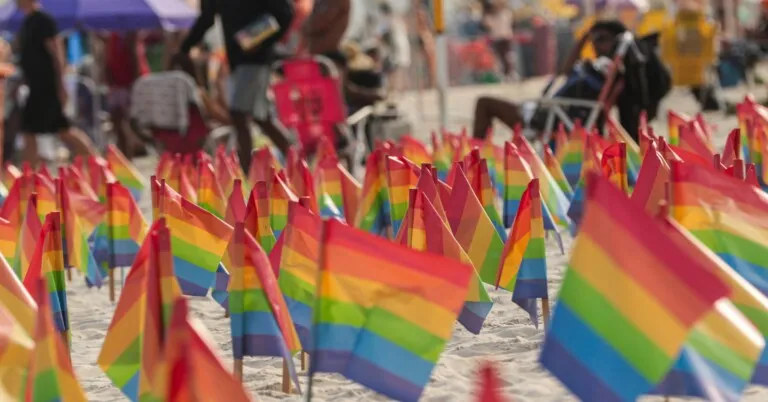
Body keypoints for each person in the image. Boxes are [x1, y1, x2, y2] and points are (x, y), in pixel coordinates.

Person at [472, 20, 669, 142]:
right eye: (594, 39)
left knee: (484, 103)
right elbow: (565, 71)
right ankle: (478, 155)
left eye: (602, 38)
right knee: (486, 102)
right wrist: (583, 40)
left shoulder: (606, 68)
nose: (595, 43)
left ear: (614, 41)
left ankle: (475, 158)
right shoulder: (600, 68)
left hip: (551, 119)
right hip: (554, 114)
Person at [179, 0, 294, 172]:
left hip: (255, 60)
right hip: (237, 61)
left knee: (239, 115)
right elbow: (207, 17)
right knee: (261, 117)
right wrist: (185, 47)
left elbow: (285, 12)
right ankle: (296, 161)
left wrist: (261, 42)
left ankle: (250, 172)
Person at [16, 0, 97, 167]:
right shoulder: (27, 23)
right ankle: (28, 178)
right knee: (28, 132)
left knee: (64, 130)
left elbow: (57, 53)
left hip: (48, 86)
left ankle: (97, 164)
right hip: (35, 88)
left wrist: (61, 85)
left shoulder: (43, 20)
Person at [105, 31, 150, 159]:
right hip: (119, 83)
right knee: (118, 121)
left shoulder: (131, 33)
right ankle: (126, 154)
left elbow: (134, 55)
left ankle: (129, 154)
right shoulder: (113, 34)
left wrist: (134, 84)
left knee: (127, 122)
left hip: (130, 83)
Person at [481, 0, 514, 79]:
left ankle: (509, 73)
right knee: (498, 57)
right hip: (496, 38)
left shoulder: (506, 13)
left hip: (505, 37)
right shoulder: (490, 16)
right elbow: (487, 25)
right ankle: (502, 74)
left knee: (507, 56)